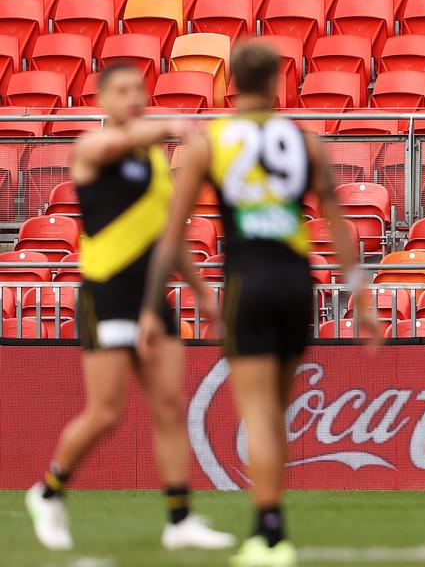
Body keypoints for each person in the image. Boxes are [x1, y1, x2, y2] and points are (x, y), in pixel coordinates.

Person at [139, 41, 376, 567]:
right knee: (277, 411)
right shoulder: (305, 140)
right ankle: (270, 529)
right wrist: (360, 292)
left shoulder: (208, 141)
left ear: (230, 84)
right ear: (277, 84)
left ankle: (269, 534)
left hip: (248, 278)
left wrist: (158, 305)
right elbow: (337, 220)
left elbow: (171, 231)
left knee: (259, 415)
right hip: (298, 280)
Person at [25, 62, 234, 552]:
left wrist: (202, 292)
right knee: (106, 413)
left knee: (169, 406)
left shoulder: (155, 161)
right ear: (103, 100)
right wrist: (170, 125)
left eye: (139, 88)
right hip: (106, 293)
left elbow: (169, 233)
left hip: (151, 298)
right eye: (121, 90)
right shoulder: (92, 150)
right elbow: (112, 143)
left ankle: (179, 520)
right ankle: (48, 490)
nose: (133, 97)